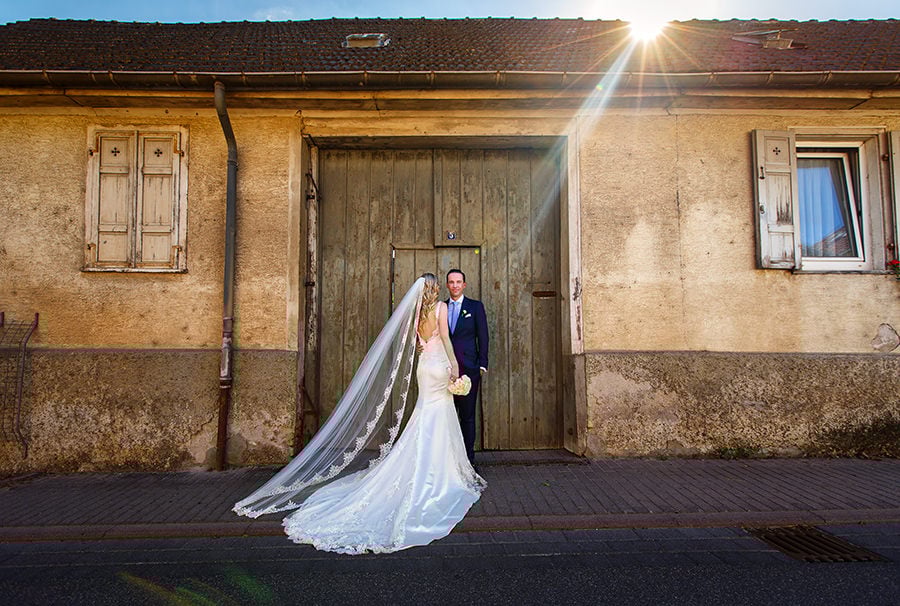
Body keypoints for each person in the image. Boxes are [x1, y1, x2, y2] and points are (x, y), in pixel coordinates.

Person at [233, 273, 485, 554]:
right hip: (439, 365)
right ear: (435, 289)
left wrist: (428, 349)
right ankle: (442, 471)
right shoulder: (439, 309)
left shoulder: (415, 314)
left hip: (424, 368)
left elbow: (415, 345)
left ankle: (427, 464)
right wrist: (454, 366)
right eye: (439, 286)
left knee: (425, 413)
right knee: (440, 415)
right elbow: (447, 340)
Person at [445, 269, 489, 469]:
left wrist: (482, 364)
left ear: (464, 284)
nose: (455, 285)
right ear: (447, 285)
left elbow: (483, 336)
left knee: (467, 416)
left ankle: (468, 461)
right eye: (451, 282)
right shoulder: (441, 308)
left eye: (458, 282)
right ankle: (448, 460)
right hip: (444, 370)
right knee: (445, 416)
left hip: (469, 370)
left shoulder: (475, 307)